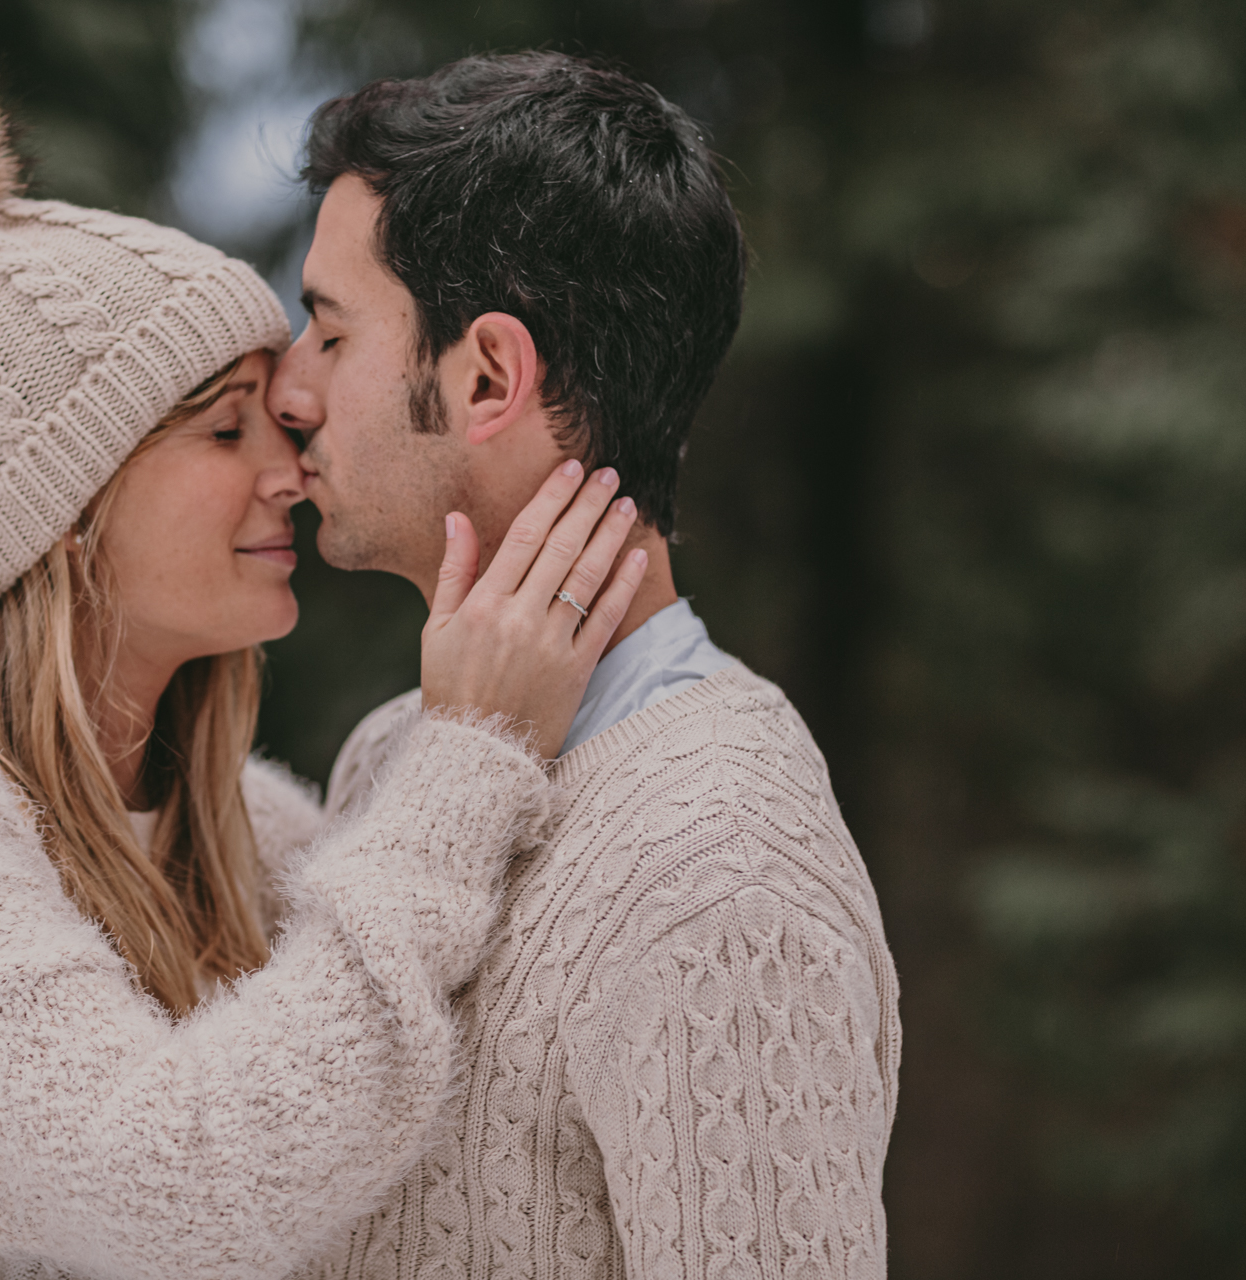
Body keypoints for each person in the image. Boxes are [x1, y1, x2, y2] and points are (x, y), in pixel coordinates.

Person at [0, 36, 651, 1280]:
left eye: (280, 421)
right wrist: (467, 758)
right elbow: (168, 1190)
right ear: (67, 508)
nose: (290, 472)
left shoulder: (268, 839)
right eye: (225, 427)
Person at [267, 53, 902, 1280]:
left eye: (332, 332)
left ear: (489, 377)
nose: (291, 386)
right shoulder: (400, 747)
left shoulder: (722, 873)